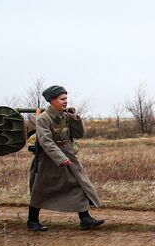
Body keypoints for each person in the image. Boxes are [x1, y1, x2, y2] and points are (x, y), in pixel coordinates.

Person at [27, 85, 103, 231]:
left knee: (79, 184)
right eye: (62, 99)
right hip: (49, 161)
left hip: (68, 156)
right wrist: (60, 158)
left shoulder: (66, 116)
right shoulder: (44, 118)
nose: (65, 101)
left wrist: (75, 118)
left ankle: (85, 218)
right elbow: (46, 141)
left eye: (66, 98)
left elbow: (79, 134)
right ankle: (32, 220)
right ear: (52, 100)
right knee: (40, 189)